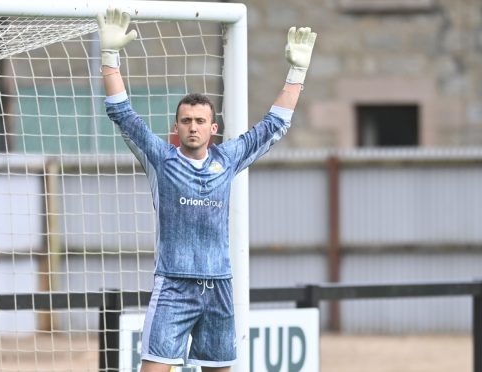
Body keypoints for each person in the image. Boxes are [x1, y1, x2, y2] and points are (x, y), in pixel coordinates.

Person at [97, 7, 317, 372]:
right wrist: (109, 56)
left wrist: (298, 71)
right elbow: (123, 114)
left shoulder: (227, 159)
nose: (193, 127)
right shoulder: (161, 159)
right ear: (177, 126)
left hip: (219, 289)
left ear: (213, 128)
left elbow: (273, 127)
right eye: (186, 121)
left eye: (200, 121)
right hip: (174, 287)